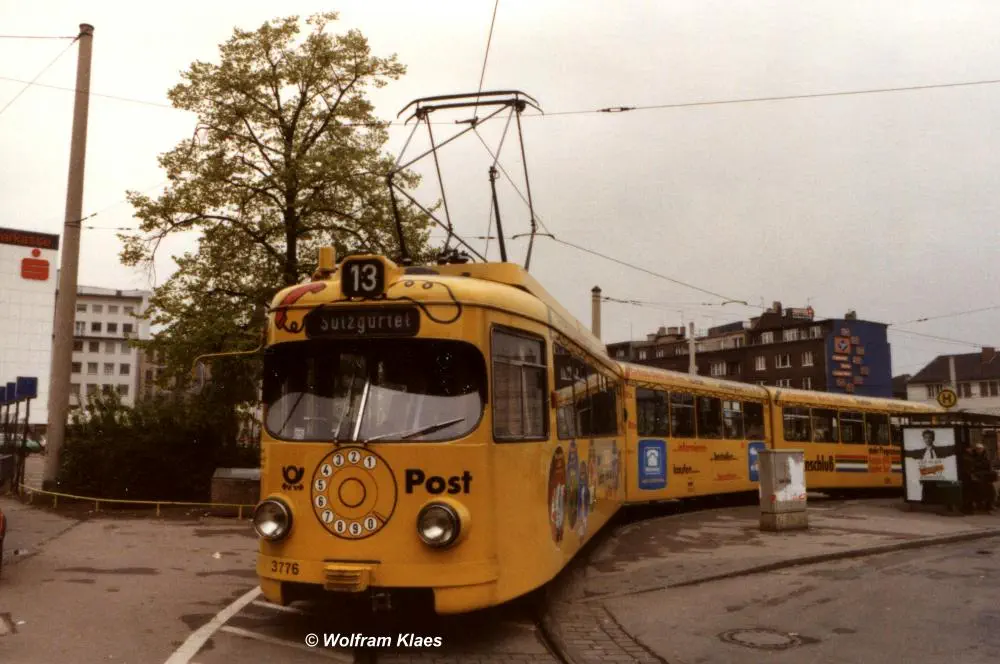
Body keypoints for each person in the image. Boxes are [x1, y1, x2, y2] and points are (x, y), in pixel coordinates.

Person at [969, 443, 997, 513]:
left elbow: (989, 468)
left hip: (985, 477)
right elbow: (972, 468)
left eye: (980, 449)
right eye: (978, 449)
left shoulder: (986, 458)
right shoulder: (973, 458)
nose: (979, 450)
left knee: (990, 489)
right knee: (978, 489)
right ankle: (980, 504)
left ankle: (989, 505)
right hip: (977, 477)